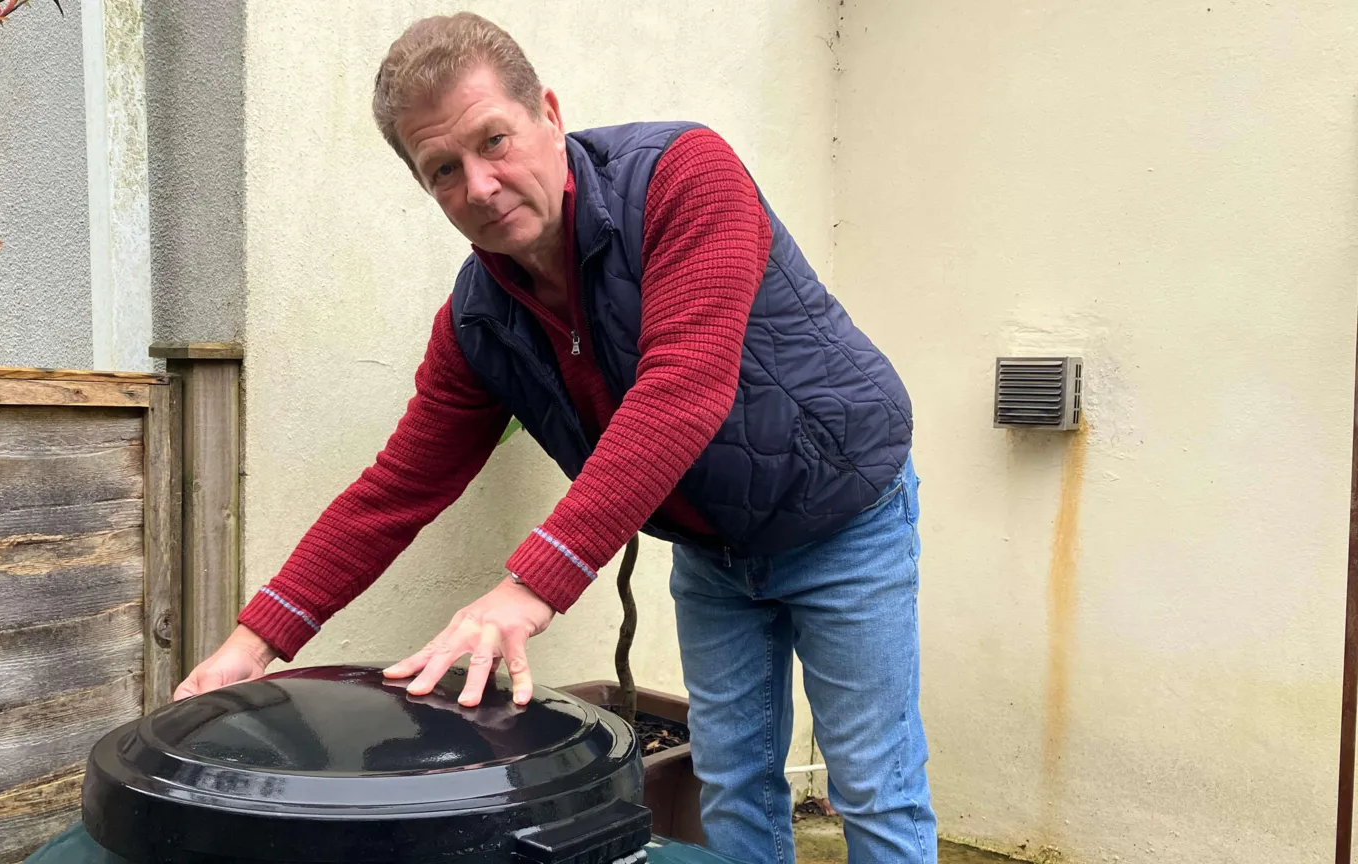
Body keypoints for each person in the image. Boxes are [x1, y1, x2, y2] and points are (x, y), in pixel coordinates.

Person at [174, 12, 933, 864]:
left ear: (550, 114)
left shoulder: (685, 175)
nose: (482, 185)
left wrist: (529, 587)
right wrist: (253, 643)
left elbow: (682, 390)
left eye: (494, 141)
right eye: (444, 172)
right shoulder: (480, 321)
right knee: (731, 783)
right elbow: (396, 490)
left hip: (841, 514)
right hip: (715, 553)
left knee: (872, 787)